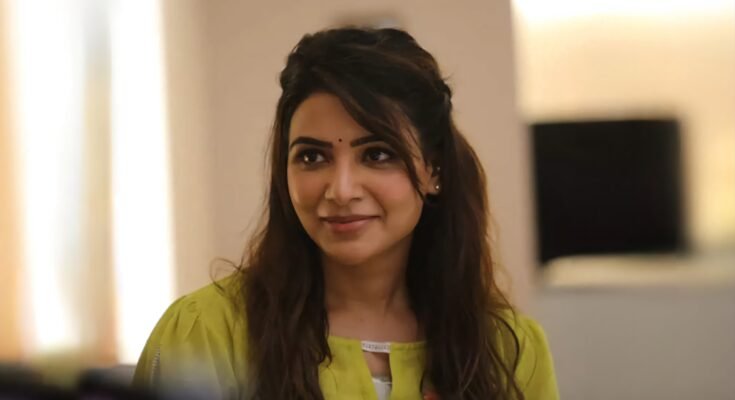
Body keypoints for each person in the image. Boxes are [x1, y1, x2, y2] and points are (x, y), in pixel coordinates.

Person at [132, 27, 559, 400]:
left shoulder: (508, 350)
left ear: (435, 172)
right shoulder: (206, 331)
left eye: (377, 154)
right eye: (312, 157)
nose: (341, 190)